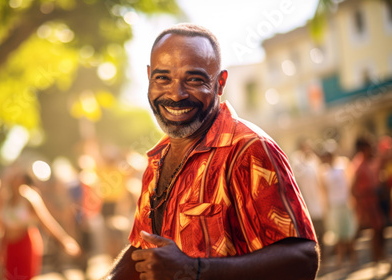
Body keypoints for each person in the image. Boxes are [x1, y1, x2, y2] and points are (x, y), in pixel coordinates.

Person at [105, 23, 319, 280]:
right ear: (149, 77)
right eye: (163, 78)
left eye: (194, 79)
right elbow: (144, 248)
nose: (176, 94)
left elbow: (303, 259)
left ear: (220, 83)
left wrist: (194, 270)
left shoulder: (247, 150)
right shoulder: (157, 159)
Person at [0, 168, 81, 280]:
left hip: (25, 245)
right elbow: (3, 226)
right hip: (10, 248)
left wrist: (64, 240)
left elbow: (46, 221)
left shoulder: (29, 197)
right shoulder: (5, 199)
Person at [319, 150, 356, 267]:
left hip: (345, 203)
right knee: (337, 235)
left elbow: (350, 183)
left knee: (349, 233)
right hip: (334, 206)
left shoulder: (342, 166)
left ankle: (353, 258)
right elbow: (324, 191)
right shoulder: (324, 172)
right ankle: (340, 260)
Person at [290, 139, 327, 258]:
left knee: (323, 229)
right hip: (306, 201)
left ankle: (324, 253)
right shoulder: (297, 161)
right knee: (313, 230)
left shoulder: (313, 160)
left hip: (318, 199)